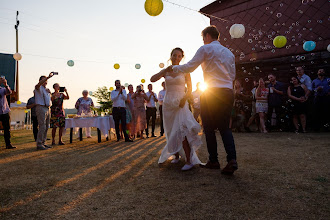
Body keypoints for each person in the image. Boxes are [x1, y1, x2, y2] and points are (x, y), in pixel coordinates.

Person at [168, 26, 238, 175]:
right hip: (227, 91)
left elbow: (190, 67)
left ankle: (214, 160)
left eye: (203, 37)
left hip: (212, 92)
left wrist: (173, 69)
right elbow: (232, 76)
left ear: (206, 36)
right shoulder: (229, 53)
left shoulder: (205, 49)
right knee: (225, 127)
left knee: (209, 127)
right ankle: (232, 159)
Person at [151, 47, 202, 171]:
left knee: (182, 129)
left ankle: (189, 161)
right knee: (170, 130)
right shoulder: (167, 71)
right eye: (175, 55)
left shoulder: (185, 70)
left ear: (182, 58)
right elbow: (152, 79)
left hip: (180, 102)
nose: (176, 58)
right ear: (171, 56)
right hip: (168, 103)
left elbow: (189, 88)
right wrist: (164, 70)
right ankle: (176, 155)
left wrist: (184, 99)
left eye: (179, 56)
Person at [34, 72, 55, 150]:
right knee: (42, 126)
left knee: (46, 126)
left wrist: (50, 94)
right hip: (41, 107)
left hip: (47, 108)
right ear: (40, 80)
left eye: (46, 81)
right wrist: (48, 77)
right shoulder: (38, 88)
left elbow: (50, 99)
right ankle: (39, 144)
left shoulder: (46, 90)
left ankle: (43, 142)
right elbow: (38, 85)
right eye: (44, 80)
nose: (46, 82)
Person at [0, 76, 15, 149]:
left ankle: (8, 144)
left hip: (5, 111)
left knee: (7, 128)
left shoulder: (2, 89)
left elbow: (9, 92)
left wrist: (5, 84)